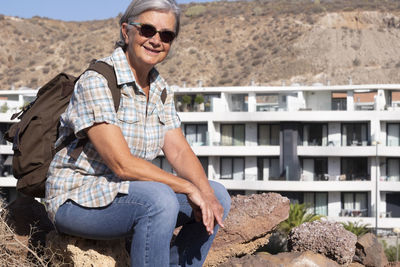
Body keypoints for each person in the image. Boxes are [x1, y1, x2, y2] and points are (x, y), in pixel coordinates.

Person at [44, 0, 231, 266]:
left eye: (166, 35)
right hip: (76, 200)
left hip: (126, 194)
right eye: (147, 30)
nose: (156, 40)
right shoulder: (98, 81)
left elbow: (178, 150)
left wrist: (205, 194)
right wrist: (187, 187)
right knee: (159, 200)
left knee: (216, 195)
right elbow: (121, 164)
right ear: (126, 31)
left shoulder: (158, 88)